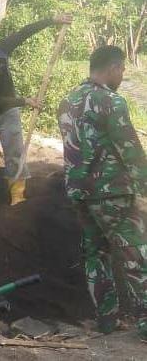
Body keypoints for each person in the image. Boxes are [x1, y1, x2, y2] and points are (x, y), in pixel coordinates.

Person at [58, 45, 147, 339]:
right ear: (113, 68)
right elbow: (130, 149)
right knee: (136, 255)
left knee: (97, 256)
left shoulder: (68, 100)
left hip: (79, 192)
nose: (121, 76)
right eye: (122, 71)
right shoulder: (111, 101)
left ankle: (106, 320)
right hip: (112, 193)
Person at [0, 13, 73, 206]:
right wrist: (24, 101)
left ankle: (17, 193)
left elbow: (24, 33)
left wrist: (51, 20)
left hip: (8, 114)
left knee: (15, 152)